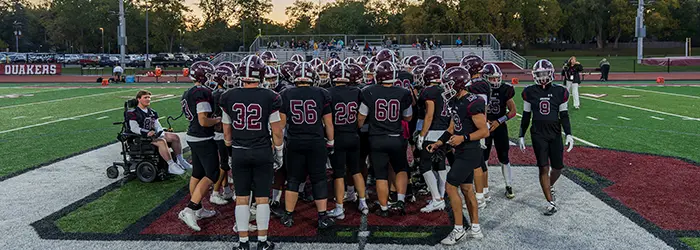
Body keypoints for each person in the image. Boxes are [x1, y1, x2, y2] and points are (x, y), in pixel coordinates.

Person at [220, 55, 283, 250]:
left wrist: (231, 148)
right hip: (262, 150)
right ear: (262, 75)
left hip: (239, 150)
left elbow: (226, 131)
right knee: (263, 197)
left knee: (241, 198)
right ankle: (263, 242)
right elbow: (277, 131)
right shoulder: (270, 96)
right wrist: (279, 152)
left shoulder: (228, 96)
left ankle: (243, 243)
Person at [426, 66, 489, 245]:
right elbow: (453, 127)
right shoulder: (455, 101)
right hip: (462, 151)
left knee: (450, 187)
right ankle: (475, 228)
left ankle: (459, 229)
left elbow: (484, 131)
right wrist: (439, 142)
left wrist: (464, 138)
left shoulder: (473, 102)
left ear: (459, 84)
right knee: (467, 189)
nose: (446, 88)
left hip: (469, 152)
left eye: (449, 85)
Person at [279, 62, 336, 229]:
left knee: (293, 179)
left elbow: (281, 124)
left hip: (294, 141)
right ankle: (322, 216)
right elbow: (328, 123)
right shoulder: (321, 93)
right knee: (319, 179)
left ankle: (289, 215)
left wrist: (278, 144)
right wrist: (331, 142)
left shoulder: (286, 94)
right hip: (315, 141)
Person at [518, 59, 575, 216]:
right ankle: (550, 202)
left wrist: (569, 133)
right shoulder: (529, 91)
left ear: (551, 74)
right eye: (539, 74)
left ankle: (548, 186)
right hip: (538, 133)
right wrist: (521, 134)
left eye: (545, 74)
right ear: (535, 75)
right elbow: (526, 115)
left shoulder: (560, 91)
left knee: (558, 167)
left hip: (555, 132)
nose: (542, 77)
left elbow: (563, 115)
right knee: (543, 166)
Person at [357, 60, 413, 217]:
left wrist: (360, 127)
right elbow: (408, 118)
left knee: (380, 174)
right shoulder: (403, 93)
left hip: (377, 138)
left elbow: (361, 117)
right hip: (396, 137)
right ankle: (400, 200)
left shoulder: (369, 91)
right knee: (400, 168)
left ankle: (383, 208)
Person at [178, 61, 221, 232]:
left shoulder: (188, 91)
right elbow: (204, 120)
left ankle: (197, 209)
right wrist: (218, 120)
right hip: (202, 137)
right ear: (204, 76)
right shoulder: (202, 92)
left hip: (193, 135)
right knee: (213, 173)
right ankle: (189, 208)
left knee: (198, 173)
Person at [326, 63, 370, 220]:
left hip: (337, 137)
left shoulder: (328, 92)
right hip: (354, 135)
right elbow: (363, 113)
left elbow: (326, 119)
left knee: (339, 174)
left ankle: (339, 208)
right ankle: (363, 203)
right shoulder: (358, 92)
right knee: (356, 170)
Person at [126, 90, 190, 175]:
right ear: (139, 99)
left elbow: (157, 125)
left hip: (152, 135)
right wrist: (146, 132)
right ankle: (171, 165)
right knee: (162, 142)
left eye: (149, 97)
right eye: (145, 97)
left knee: (175, 137)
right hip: (139, 138)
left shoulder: (152, 112)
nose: (148, 99)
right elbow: (134, 128)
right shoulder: (133, 113)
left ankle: (180, 160)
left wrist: (161, 133)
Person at [416, 63, 451, 213]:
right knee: (440, 165)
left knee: (425, 166)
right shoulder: (447, 90)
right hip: (445, 132)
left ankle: (436, 198)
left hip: (433, 132)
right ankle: (441, 198)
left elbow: (429, 115)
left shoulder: (428, 91)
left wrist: (422, 135)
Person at [482, 63, 517, 199]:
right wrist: (484, 121)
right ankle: (483, 187)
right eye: (492, 78)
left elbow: (513, 111)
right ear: (485, 78)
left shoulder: (505, 89)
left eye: (497, 78)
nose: (495, 81)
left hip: (500, 126)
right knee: (483, 157)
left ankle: (508, 185)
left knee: (504, 157)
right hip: (484, 127)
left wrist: (499, 121)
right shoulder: (480, 89)